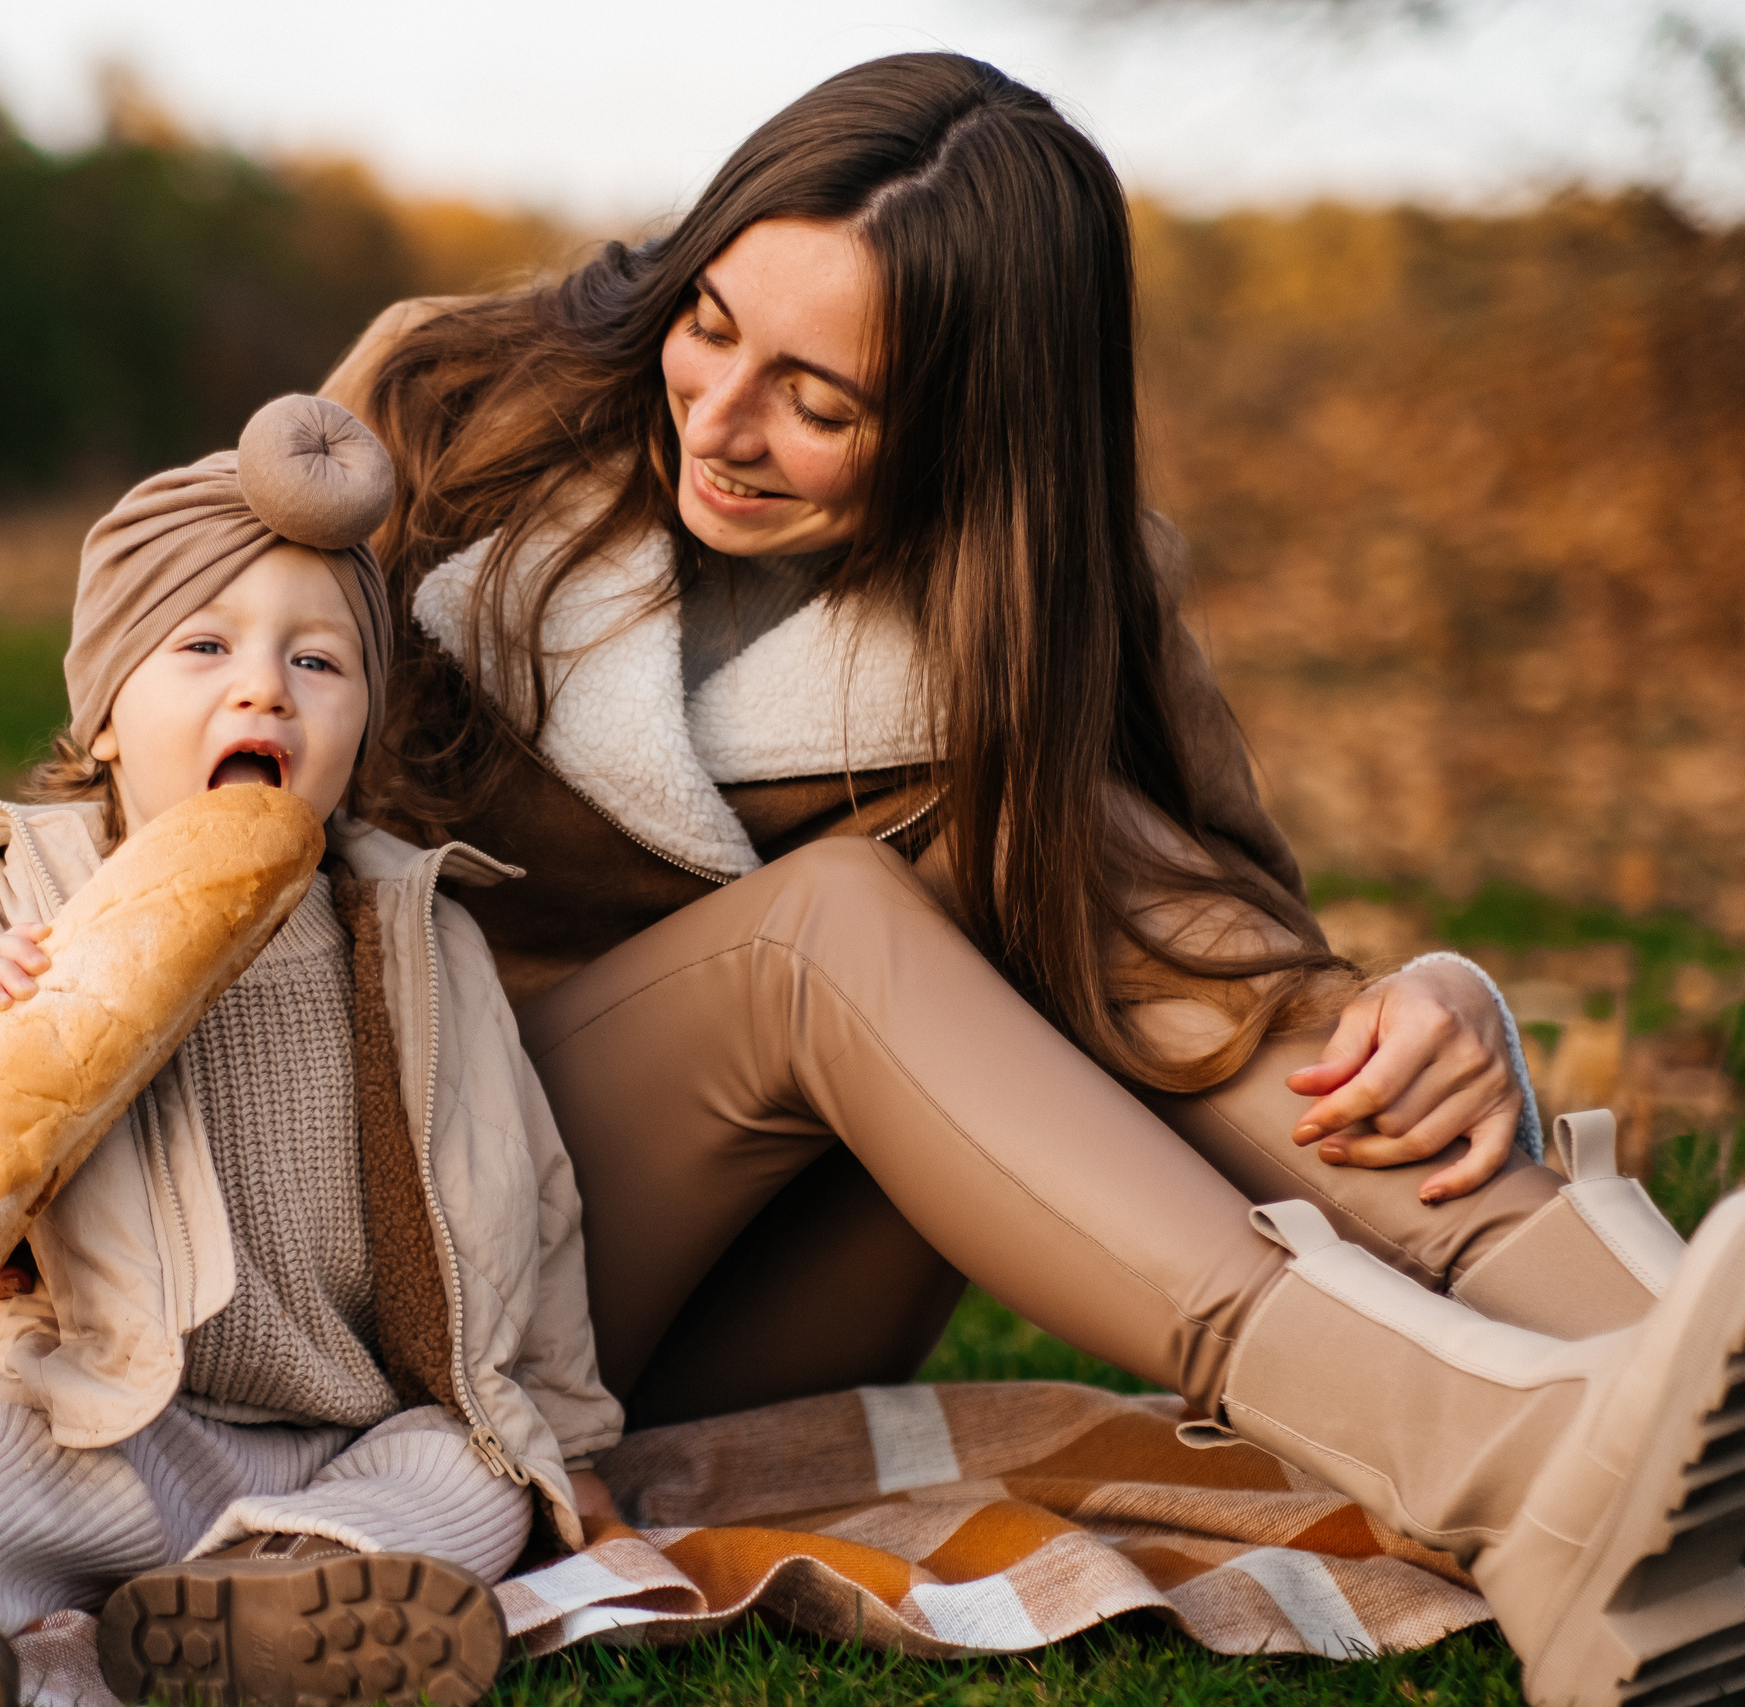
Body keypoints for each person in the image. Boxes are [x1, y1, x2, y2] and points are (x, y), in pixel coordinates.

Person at [318, 52, 1745, 1706]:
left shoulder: (1056, 584)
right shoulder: (439, 406)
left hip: (738, 1316)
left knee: (1078, 853)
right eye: (712, 324)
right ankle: (1499, 1459)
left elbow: (1225, 961)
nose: (718, 420)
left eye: (822, 401)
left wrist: (1434, 1006)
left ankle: (1656, 1382)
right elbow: (174, 751)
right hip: (403, 1264)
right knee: (831, 923)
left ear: (974, 427)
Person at [0, 397, 621, 1707]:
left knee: (471, 1484)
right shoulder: (3, 901)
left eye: (319, 663)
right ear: (101, 719)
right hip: (92, 1407)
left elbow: (526, 1208)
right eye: (203, 645)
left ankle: (272, 1604)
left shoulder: (421, 937)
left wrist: (573, 1436)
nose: (264, 684)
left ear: (363, 727)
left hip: (352, 1426)